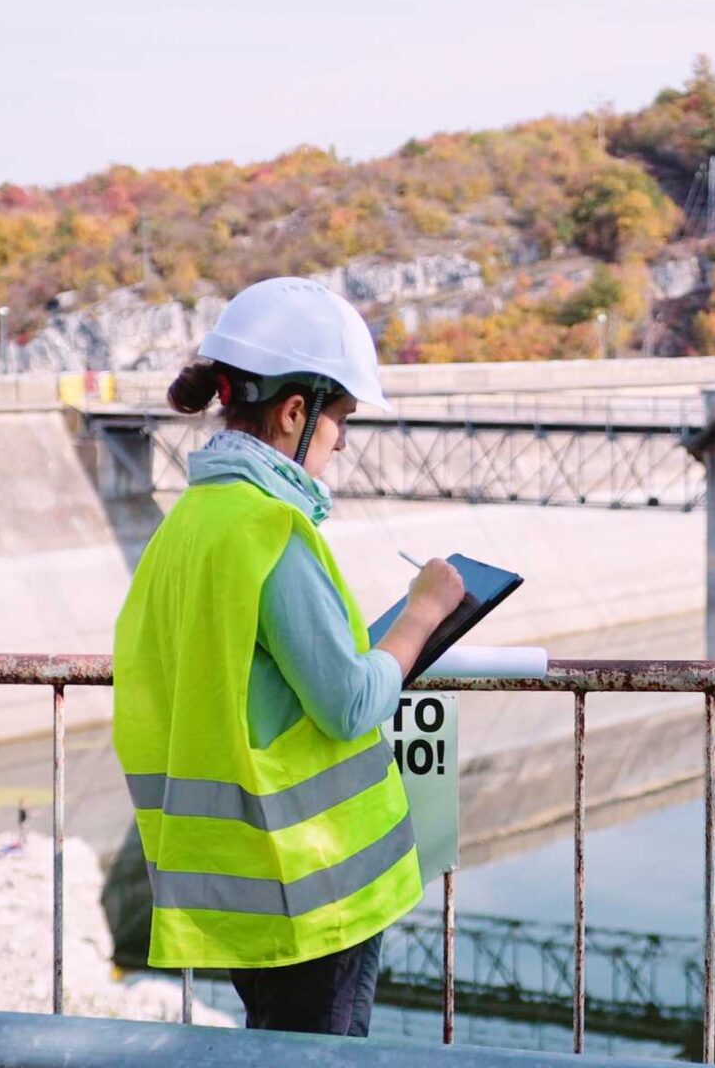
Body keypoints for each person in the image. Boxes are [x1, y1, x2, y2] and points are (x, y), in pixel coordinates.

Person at [112, 277, 465, 1037]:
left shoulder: (187, 526)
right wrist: (423, 614)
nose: (342, 441)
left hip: (236, 882)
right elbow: (348, 702)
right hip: (314, 886)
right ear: (295, 411)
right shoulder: (270, 529)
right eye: (341, 419)